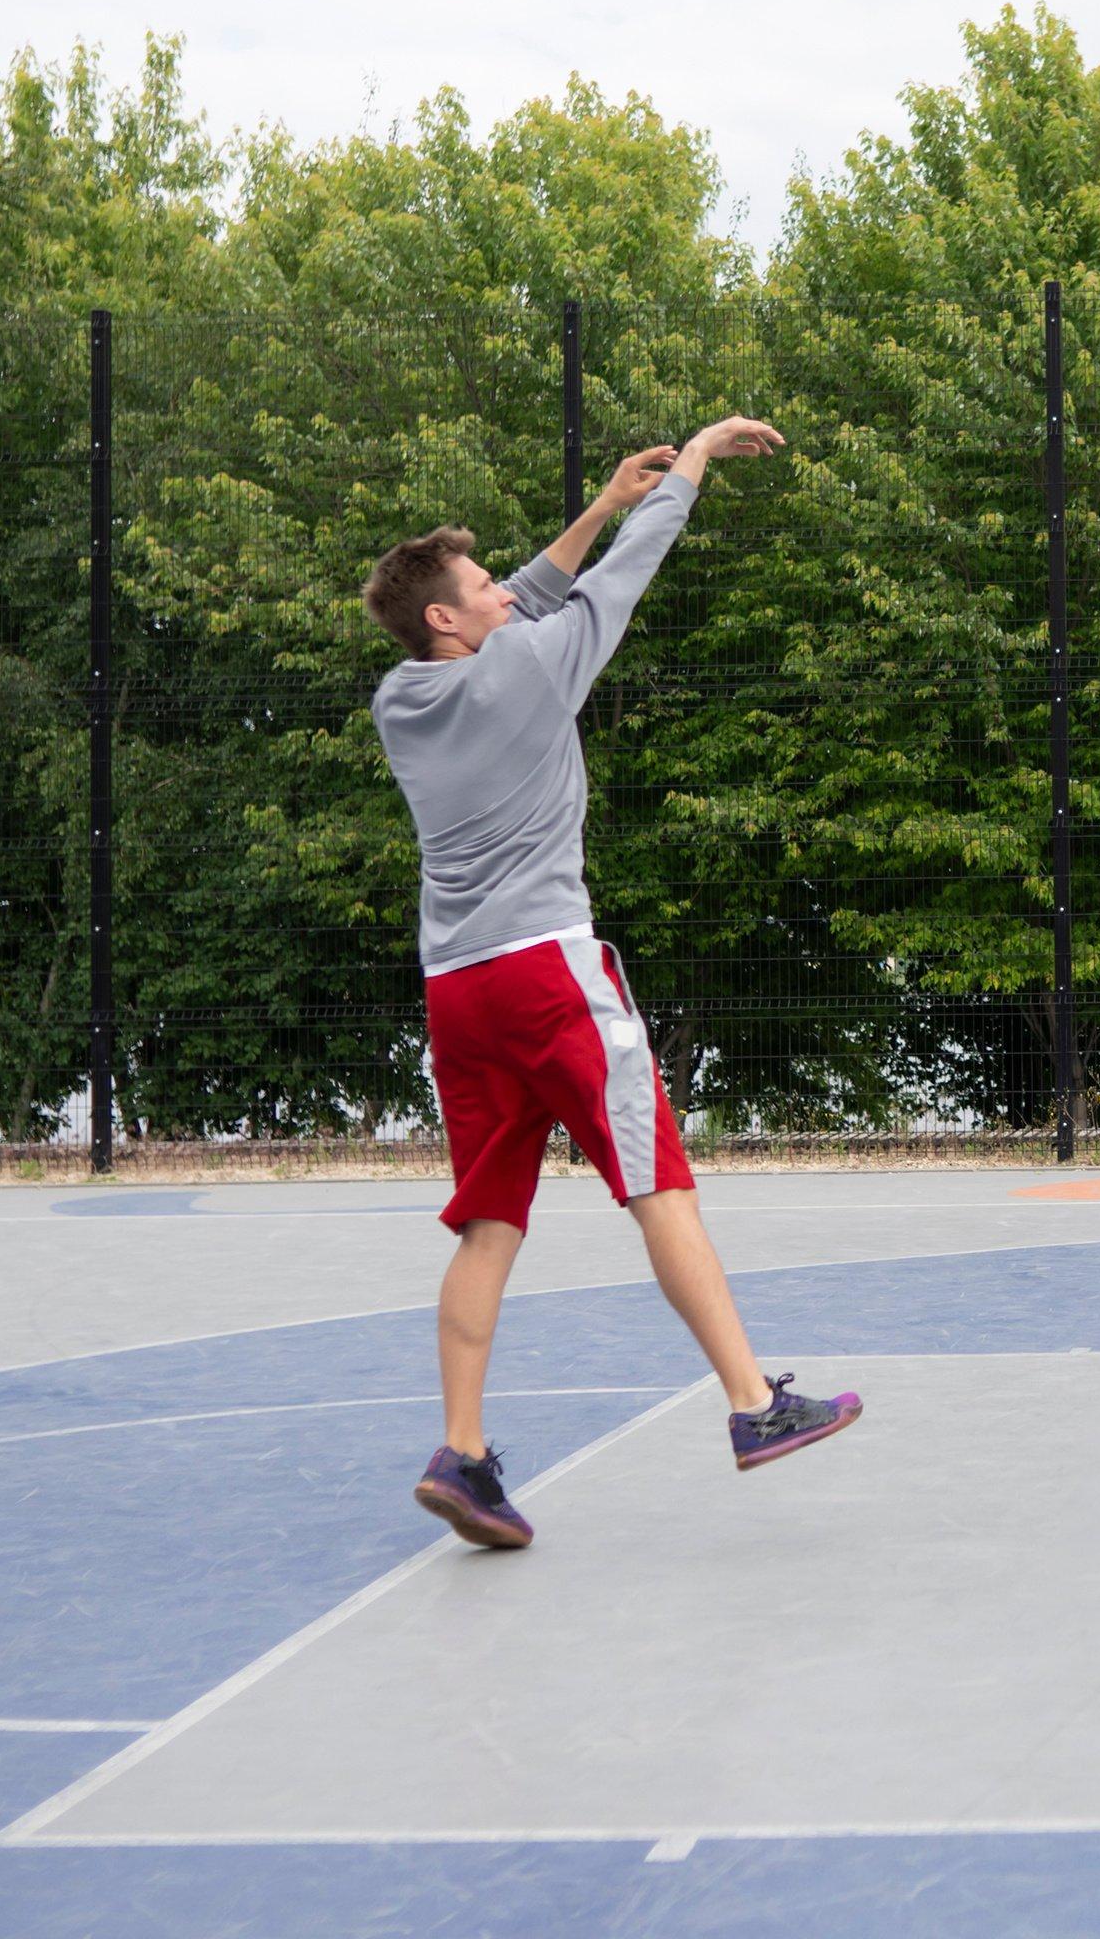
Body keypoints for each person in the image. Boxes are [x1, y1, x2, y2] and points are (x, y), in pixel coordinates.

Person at [359, 415, 856, 1551]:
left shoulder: (400, 699)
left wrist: (595, 505)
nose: (502, 591)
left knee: (488, 1223)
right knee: (656, 1182)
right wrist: (686, 465)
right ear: (447, 616)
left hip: (456, 991)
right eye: (481, 583)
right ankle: (750, 1405)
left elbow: (531, 597)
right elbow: (628, 572)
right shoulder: (533, 668)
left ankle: (464, 1455)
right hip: (547, 976)